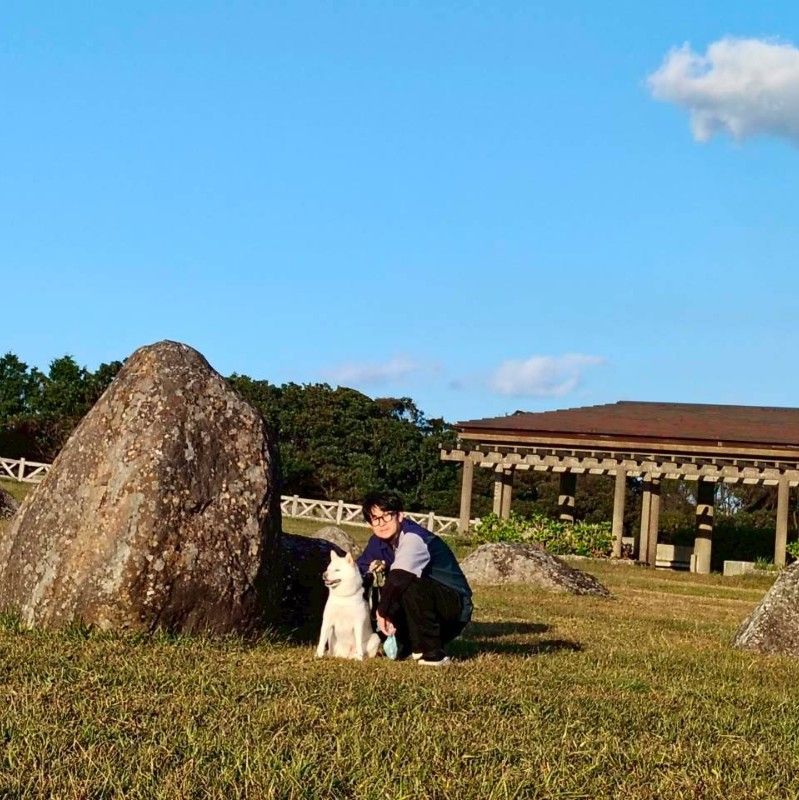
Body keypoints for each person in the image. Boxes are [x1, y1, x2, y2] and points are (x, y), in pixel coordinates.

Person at [356, 490, 472, 666]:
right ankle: (404, 644)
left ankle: (432, 654)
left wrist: (383, 611)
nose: (381, 523)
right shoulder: (377, 542)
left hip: (452, 606)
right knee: (366, 588)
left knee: (406, 583)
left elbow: (399, 578)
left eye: (387, 516)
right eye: (375, 519)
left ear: (400, 515)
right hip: (417, 606)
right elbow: (358, 572)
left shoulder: (414, 537)